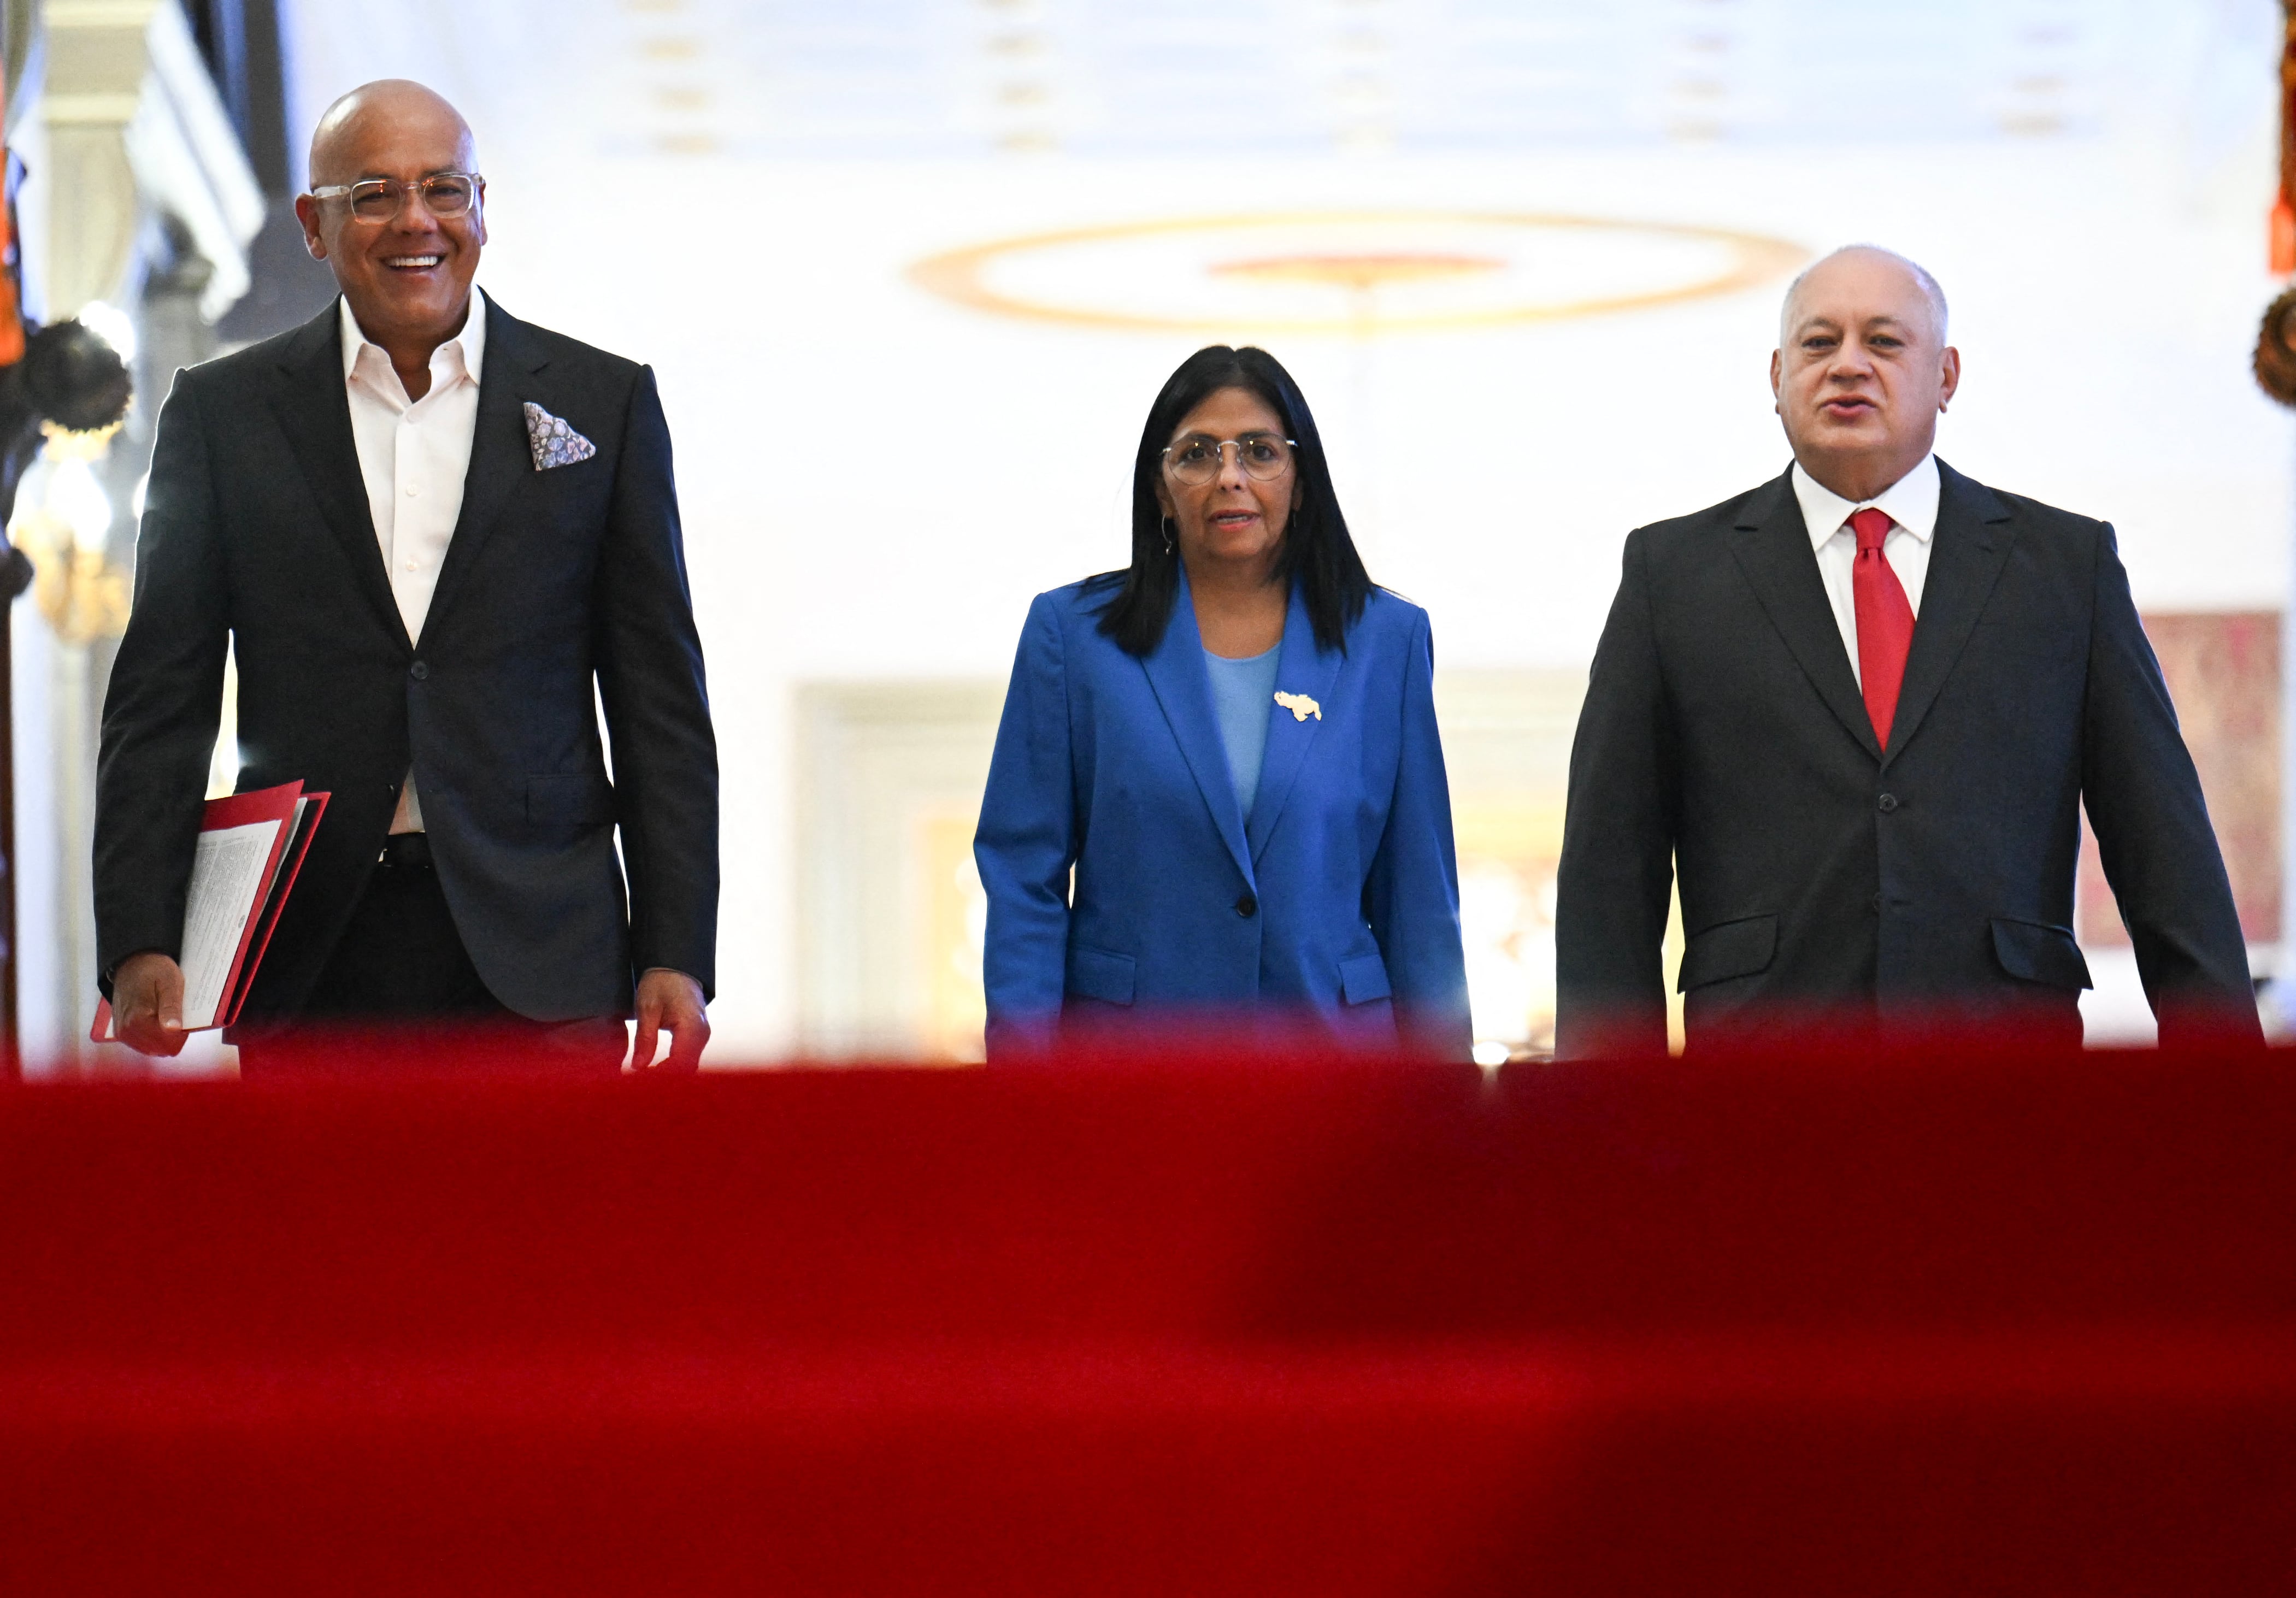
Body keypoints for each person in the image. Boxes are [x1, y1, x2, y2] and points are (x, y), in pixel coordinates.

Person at [94, 80, 718, 1070]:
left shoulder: (607, 404)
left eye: (444, 188)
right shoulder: (223, 416)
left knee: (545, 1231)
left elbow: (659, 707)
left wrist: (674, 949)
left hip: (547, 952)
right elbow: (159, 702)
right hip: (310, 954)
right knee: (323, 1232)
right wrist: (139, 934)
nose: (416, 221)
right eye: (375, 194)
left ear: (481, 210)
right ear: (314, 224)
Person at [1555, 245, 2259, 1056]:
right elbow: (1610, 873)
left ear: (1946, 375)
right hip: (1758, 1083)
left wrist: (2230, 1101)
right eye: (1818, 344)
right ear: (1776, 375)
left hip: (2003, 1072)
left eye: (1884, 342)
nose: (1847, 365)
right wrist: (1609, 1125)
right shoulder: (1671, 576)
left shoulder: (2066, 569)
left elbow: (2163, 850)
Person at [975, 345, 1470, 1059]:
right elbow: (1024, 878)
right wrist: (1023, 1089)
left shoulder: (1386, 641)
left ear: (1300, 483)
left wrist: (1445, 1113)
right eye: (1198, 453)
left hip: (1336, 1073)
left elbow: (1419, 898)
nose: (1229, 476)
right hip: (1131, 1072)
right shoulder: (1073, 637)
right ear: (1160, 486)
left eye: (1260, 452)